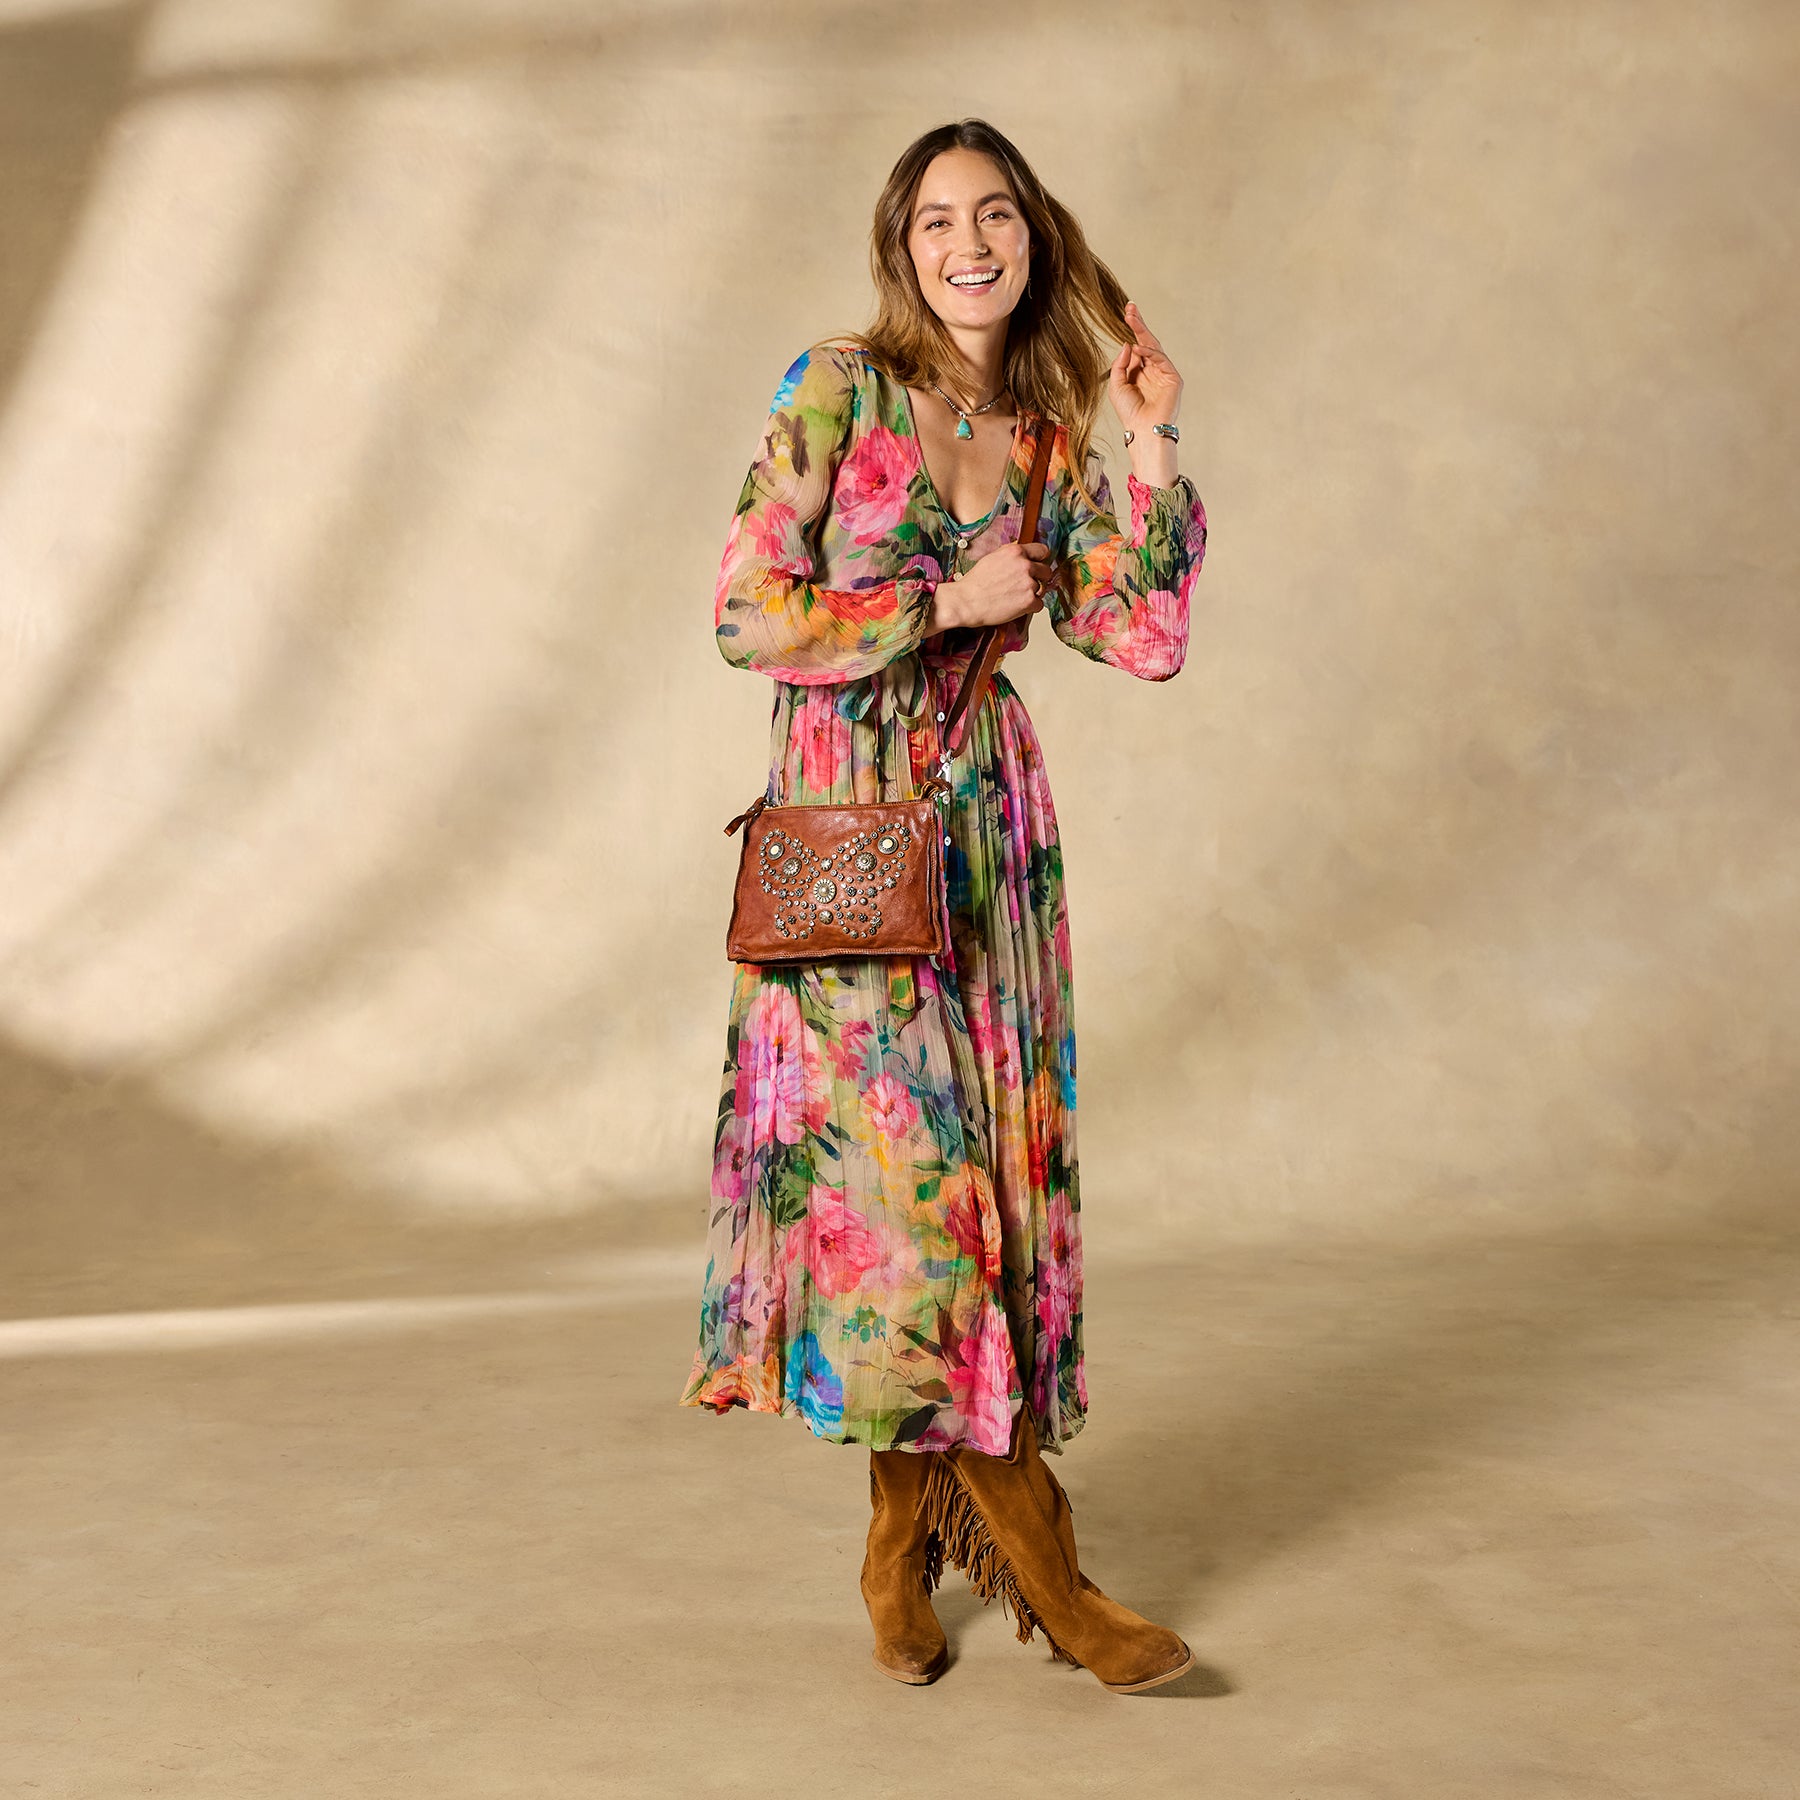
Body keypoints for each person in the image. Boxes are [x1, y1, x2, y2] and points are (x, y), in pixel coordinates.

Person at [679, 118, 1209, 1693]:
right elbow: (745, 616)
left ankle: (898, 1535)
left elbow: (1143, 638)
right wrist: (939, 602)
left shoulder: (1045, 437)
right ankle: (1053, 1575)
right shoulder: (835, 387)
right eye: (936, 221)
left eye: (994, 217)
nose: (968, 243)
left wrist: (1151, 440)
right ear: (899, 249)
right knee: (909, 1203)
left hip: (986, 841)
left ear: (1034, 239)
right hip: (852, 833)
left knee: (976, 1191)